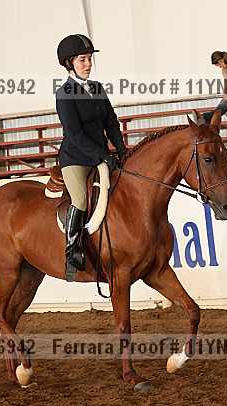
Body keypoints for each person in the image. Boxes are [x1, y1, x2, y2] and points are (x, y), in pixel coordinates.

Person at [55, 34, 126, 281]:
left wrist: (122, 149)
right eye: (82, 60)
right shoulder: (64, 93)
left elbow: (111, 122)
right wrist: (102, 156)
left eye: (89, 59)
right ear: (70, 63)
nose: (88, 64)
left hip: (101, 155)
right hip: (76, 158)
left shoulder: (97, 88)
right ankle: (73, 251)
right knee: (80, 200)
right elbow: (74, 134)